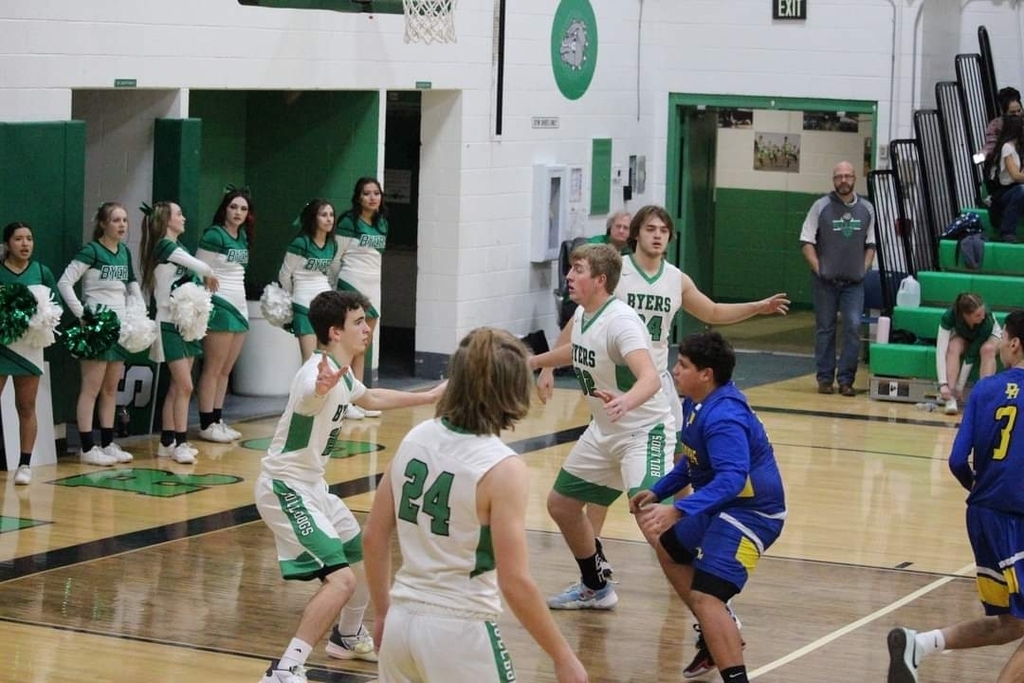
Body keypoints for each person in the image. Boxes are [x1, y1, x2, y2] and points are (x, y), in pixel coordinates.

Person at [538, 204, 789, 582]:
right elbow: (579, 326)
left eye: (664, 230)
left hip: (656, 388)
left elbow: (714, 311)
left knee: (680, 468)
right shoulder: (615, 275)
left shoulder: (675, 279)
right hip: (614, 390)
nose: (658, 235)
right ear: (635, 233)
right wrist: (544, 365)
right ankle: (597, 557)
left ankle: (685, 540)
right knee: (605, 474)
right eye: (651, 228)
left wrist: (758, 307)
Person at [362, 327, 589, 683]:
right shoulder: (503, 468)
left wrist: (381, 613)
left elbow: (374, 537)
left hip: (401, 622)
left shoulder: (414, 439)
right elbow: (515, 582)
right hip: (459, 631)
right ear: (513, 389)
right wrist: (562, 655)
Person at [255, 289, 446, 683]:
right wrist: (319, 390)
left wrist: (427, 396)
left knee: (361, 558)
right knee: (340, 580)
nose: (367, 328)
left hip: (313, 486)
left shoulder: (340, 371)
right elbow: (310, 397)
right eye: (358, 322)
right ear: (334, 332)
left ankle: (346, 636)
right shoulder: (316, 374)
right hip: (285, 487)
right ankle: (286, 669)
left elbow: (370, 395)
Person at [630, 331, 786, 683]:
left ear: (706, 374)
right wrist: (658, 491)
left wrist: (679, 509)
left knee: (707, 595)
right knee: (669, 549)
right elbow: (693, 461)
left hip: (754, 515)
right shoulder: (696, 403)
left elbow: (732, 478)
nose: (675, 370)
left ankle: (729, 659)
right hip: (724, 506)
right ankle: (716, 636)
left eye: (683, 365)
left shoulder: (724, 417)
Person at [529, 242, 675, 610]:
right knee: (561, 504)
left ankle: (712, 604)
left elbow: (650, 378)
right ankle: (595, 585)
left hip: (644, 431)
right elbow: (575, 350)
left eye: (577, 269)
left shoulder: (621, 321)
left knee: (651, 521)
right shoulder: (583, 315)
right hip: (604, 431)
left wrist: (626, 400)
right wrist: (533, 362)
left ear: (600, 279)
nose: (569, 275)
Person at [887, 310, 1024, 683]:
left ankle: (920, 644)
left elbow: (956, 460)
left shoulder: (984, 389)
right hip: (1016, 515)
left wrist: (983, 491)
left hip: (982, 513)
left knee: (1012, 623)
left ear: (1013, 344)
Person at [58, 202, 141, 467]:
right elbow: (64, 282)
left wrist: (137, 313)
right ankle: (86, 446)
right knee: (91, 389)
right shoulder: (92, 251)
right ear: (103, 224)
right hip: (97, 327)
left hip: (119, 329)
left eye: (125, 220)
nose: (122, 225)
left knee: (110, 390)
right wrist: (82, 313)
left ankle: (106, 443)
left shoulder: (124, 252)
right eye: (116, 220)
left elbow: (132, 285)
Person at [139, 201, 219, 464]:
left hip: (186, 322)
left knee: (177, 388)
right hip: (168, 322)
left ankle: (167, 441)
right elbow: (197, 265)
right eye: (179, 214)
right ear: (166, 220)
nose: (183, 218)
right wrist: (208, 273)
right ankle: (182, 443)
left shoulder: (178, 247)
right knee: (186, 385)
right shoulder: (165, 245)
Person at [799, 161, 877, 396]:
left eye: (847, 176)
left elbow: (871, 244)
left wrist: (863, 269)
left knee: (853, 327)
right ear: (833, 180)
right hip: (825, 282)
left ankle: (846, 380)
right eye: (838, 176)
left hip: (854, 283)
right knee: (825, 329)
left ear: (855, 179)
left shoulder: (867, 209)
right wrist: (818, 268)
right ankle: (824, 379)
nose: (843, 180)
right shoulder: (819, 206)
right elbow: (806, 241)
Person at [0, 222, 59, 485]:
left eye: (29, 239)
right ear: (7, 244)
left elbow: (55, 308)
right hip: (1, 346)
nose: (25, 244)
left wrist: (45, 320)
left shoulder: (41, 271)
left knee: (26, 406)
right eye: (18, 239)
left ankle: (25, 464)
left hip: (30, 348)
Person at [195, 187, 253, 443]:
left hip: (240, 307)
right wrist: (207, 283)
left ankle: (218, 419)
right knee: (213, 368)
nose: (238, 212)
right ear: (224, 209)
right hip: (220, 304)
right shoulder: (214, 234)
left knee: (226, 370)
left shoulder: (242, 237)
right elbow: (198, 267)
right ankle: (206, 423)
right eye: (233, 207)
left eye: (243, 208)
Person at [335, 177, 387, 416]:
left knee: (363, 345)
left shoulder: (382, 222)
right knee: (349, 344)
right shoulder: (349, 221)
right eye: (367, 193)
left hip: (373, 285)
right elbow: (337, 256)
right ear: (358, 197)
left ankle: (358, 399)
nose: (372, 197)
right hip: (351, 282)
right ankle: (343, 400)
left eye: (376, 193)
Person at [279, 199, 339, 361]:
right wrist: (291, 298)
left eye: (331, 215)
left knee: (326, 360)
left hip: (325, 306)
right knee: (310, 361)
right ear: (313, 218)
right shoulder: (301, 243)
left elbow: (330, 274)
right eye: (323, 215)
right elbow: (284, 275)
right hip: (303, 304)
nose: (329, 219)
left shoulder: (332, 244)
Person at [936, 292, 1001, 416]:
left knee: (987, 350)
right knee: (953, 346)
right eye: (977, 315)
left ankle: (984, 400)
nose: (982, 316)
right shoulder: (950, 316)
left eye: (983, 312)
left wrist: (960, 387)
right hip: (965, 335)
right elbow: (941, 350)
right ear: (965, 315)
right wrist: (942, 384)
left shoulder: (986, 321)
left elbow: (971, 355)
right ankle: (950, 399)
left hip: (990, 337)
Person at [982, 114, 1024, 243]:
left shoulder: (1018, 149)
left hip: (1015, 189)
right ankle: (1007, 232)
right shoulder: (1007, 147)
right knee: (1021, 190)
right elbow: (1016, 176)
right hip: (1004, 192)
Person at [981, 86, 1022, 157]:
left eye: (1019, 111)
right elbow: (991, 145)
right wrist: (983, 154)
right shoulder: (996, 125)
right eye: (1012, 113)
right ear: (1003, 112)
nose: (1017, 114)